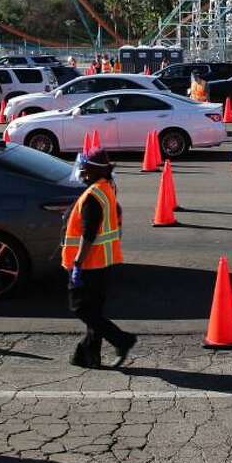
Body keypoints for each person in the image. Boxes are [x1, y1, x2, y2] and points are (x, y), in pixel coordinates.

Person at [62, 149, 136, 369]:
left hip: (89, 264)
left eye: (84, 168)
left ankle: (122, 340)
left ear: (93, 171)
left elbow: (89, 234)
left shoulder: (93, 196)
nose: (81, 172)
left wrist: (77, 264)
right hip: (102, 262)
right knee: (94, 312)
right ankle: (87, 356)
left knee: (80, 308)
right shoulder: (106, 187)